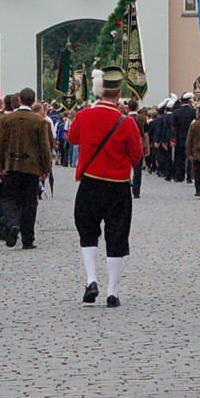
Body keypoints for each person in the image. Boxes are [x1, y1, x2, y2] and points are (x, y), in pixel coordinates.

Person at [69, 67, 144, 307]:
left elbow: (72, 138)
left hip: (90, 182)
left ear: (99, 91)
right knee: (117, 236)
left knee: (88, 232)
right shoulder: (127, 122)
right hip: (118, 186)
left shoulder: (84, 115)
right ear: (119, 93)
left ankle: (91, 279)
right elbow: (137, 155)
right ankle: (112, 291)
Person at [0, 89, 52, 250]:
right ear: (33, 101)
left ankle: (12, 223)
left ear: (19, 99)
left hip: (11, 166)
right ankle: (28, 239)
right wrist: (46, 168)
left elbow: (0, 144)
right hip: (32, 168)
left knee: (9, 199)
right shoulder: (39, 121)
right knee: (29, 203)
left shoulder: (6, 119)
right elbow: (44, 146)